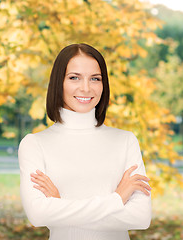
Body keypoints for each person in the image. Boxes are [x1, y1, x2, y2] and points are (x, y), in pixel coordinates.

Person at [18, 43, 152, 240]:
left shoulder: (125, 141)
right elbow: (38, 214)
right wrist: (117, 199)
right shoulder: (34, 144)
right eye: (74, 78)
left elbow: (141, 217)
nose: (86, 88)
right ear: (59, 82)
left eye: (95, 79)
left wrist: (60, 204)